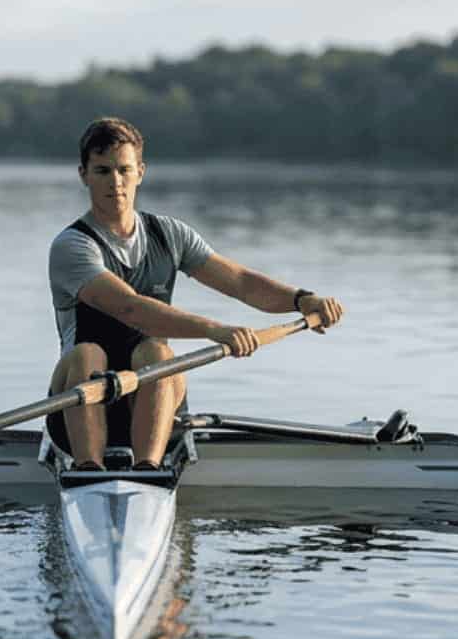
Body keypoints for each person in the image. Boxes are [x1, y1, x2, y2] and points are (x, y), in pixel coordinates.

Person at [46, 116, 344, 472]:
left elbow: (242, 282)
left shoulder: (169, 235)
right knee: (87, 353)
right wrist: (215, 330)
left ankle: (147, 470)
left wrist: (302, 299)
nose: (116, 182)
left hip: (153, 406)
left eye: (124, 170)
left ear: (141, 172)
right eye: (103, 171)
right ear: (83, 174)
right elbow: (131, 308)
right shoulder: (73, 246)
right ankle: (88, 469)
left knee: (156, 352)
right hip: (79, 410)